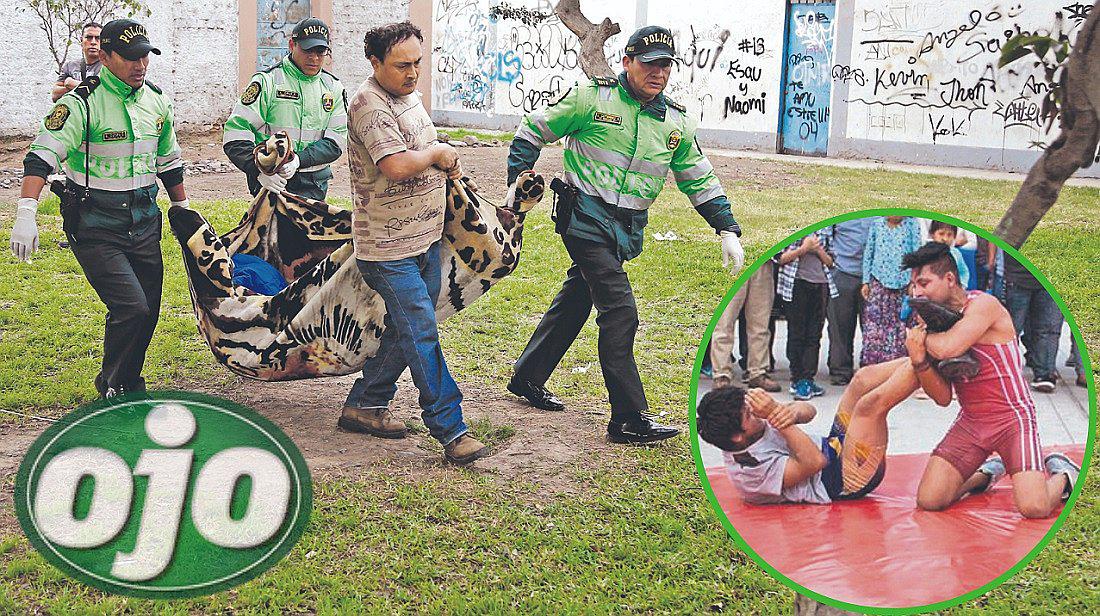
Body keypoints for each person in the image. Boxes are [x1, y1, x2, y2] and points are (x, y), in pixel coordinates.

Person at [502, 26, 744, 444]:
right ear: (627, 62)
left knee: (579, 295)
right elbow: (531, 132)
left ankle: (528, 376)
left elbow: (699, 180)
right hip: (583, 219)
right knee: (619, 310)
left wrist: (726, 228)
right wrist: (516, 182)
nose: (659, 73)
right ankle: (629, 417)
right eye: (650, 64)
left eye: (666, 65)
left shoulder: (676, 123)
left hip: (625, 229)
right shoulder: (591, 99)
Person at [11, 18, 186, 397]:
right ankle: (118, 388)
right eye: (129, 58)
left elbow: (169, 162)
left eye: (145, 57)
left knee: (149, 313)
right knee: (131, 308)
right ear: (105, 57)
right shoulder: (81, 105)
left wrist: (182, 207)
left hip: (143, 220)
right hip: (95, 223)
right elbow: (41, 157)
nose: (139, 65)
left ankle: (122, 381)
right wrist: (26, 213)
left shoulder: (157, 102)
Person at [340, 21, 483, 465]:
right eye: (402, 65)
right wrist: (438, 154)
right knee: (421, 329)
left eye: (418, 62)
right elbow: (397, 165)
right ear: (375, 62)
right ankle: (451, 428)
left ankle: (366, 403)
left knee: (407, 329)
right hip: (387, 250)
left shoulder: (408, 97)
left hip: (422, 240)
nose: (413, 72)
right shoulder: (368, 103)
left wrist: (446, 166)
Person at [903, 243, 1079, 518]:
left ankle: (1066, 475)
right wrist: (919, 361)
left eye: (923, 283)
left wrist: (921, 341)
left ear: (949, 279)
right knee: (929, 499)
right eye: (914, 286)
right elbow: (942, 398)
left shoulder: (983, 305)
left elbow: (950, 347)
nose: (917, 293)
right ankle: (987, 474)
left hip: (1012, 420)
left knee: (1034, 508)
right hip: (972, 422)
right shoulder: (935, 323)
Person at [223, 18, 347, 201]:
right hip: (271, 180)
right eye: (307, 50)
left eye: (320, 52)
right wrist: (258, 170)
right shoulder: (267, 82)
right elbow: (235, 135)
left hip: (313, 184)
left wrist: (299, 160)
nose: (314, 58)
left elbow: (336, 142)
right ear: (292, 45)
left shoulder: (334, 88)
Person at [775, 229, 837, 401]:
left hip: (821, 284)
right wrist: (803, 249)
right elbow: (778, 258)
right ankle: (797, 379)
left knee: (814, 335)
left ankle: (808, 378)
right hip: (795, 284)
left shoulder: (828, 226)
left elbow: (831, 262)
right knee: (797, 333)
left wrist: (817, 250)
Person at [860, 216, 921, 365]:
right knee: (874, 328)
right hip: (878, 284)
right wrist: (866, 282)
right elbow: (869, 253)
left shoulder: (912, 224)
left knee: (900, 328)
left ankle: (896, 367)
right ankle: (872, 367)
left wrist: (914, 281)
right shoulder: (876, 224)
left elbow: (917, 255)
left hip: (904, 287)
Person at [710, 262, 779, 392]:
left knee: (761, 324)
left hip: (762, 263)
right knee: (724, 323)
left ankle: (758, 372)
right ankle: (721, 375)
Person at [1003, 254, 1063, 393]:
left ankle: (1044, 374)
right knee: (1011, 329)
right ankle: (1006, 374)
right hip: (1018, 275)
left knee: (1047, 329)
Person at [826, 218, 870, 386]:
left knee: (872, 328)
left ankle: (870, 370)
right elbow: (826, 236)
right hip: (842, 270)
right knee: (839, 326)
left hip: (874, 276)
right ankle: (840, 371)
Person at [53, 22, 103, 102]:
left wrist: (70, 83)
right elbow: (55, 94)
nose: (93, 42)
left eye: (98, 38)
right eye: (89, 37)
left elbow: (102, 93)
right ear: (81, 40)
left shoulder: (109, 67)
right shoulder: (70, 66)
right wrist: (87, 87)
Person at [927, 221, 970, 288]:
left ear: (954, 236)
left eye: (949, 235)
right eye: (941, 234)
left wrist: (961, 285)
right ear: (932, 234)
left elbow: (964, 272)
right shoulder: (926, 253)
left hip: (952, 291)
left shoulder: (956, 254)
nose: (945, 239)